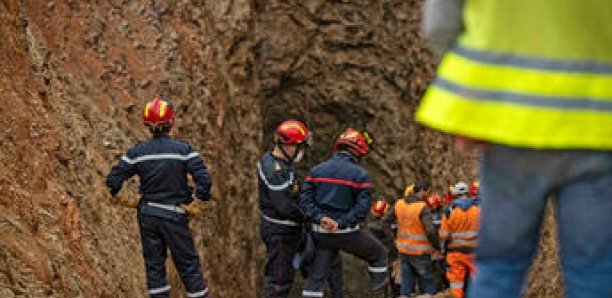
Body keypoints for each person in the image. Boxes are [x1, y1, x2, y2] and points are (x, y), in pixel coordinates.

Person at [418, 1, 612, 297]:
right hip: (596, 125)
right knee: (593, 267)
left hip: (508, 125)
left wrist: (471, 97)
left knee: (499, 266)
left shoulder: (444, 211)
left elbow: (438, 26)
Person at [106, 97, 212, 298]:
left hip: (147, 215)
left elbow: (113, 179)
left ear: (147, 125)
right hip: (173, 217)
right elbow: (204, 179)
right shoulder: (184, 151)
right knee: (189, 266)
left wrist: (123, 197)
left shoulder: (138, 152)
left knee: (155, 267)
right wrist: (200, 200)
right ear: (171, 122)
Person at [299, 128, 388, 298]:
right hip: (347, 233)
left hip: (321, 233)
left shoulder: (317, 170)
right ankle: (378, 295)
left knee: (316, 277)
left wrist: (320, 218)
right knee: (379, 254)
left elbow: (304, 202)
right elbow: (361, 210)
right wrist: (340, 223)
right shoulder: (359, 175)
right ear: (359, 151)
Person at [258, 119, 312, 298]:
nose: (301, 151)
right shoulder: (276, 171)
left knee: (303, 267)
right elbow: (285, 206)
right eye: (300, 146)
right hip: (281, 232)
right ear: (288, 146)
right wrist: (308, 216)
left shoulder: (274, 162)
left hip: (287, 230)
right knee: (279, 280)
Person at [385, 181, 440, 297]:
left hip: (403, 251)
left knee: (406, 283)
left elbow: (385, 222)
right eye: (426, 192)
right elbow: (430, 231)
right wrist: (437, 247)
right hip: (420, 252)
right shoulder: (422, 208)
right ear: (422, 191)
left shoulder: (399, 204)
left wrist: (393, 240)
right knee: (427, 284)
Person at [440, 182, 480, 298]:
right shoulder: (478, 209)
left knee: (456, 284)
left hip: (455, 253)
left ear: (455, 194)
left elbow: (443, 235)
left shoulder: (449, 212)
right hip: (475, 252)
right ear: (468, 193)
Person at [369, 199, 401, 297]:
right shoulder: (392, 226)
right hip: (393, 259)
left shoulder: (371, 226)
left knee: (381, 288)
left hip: (377, 261)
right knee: (396, 286)